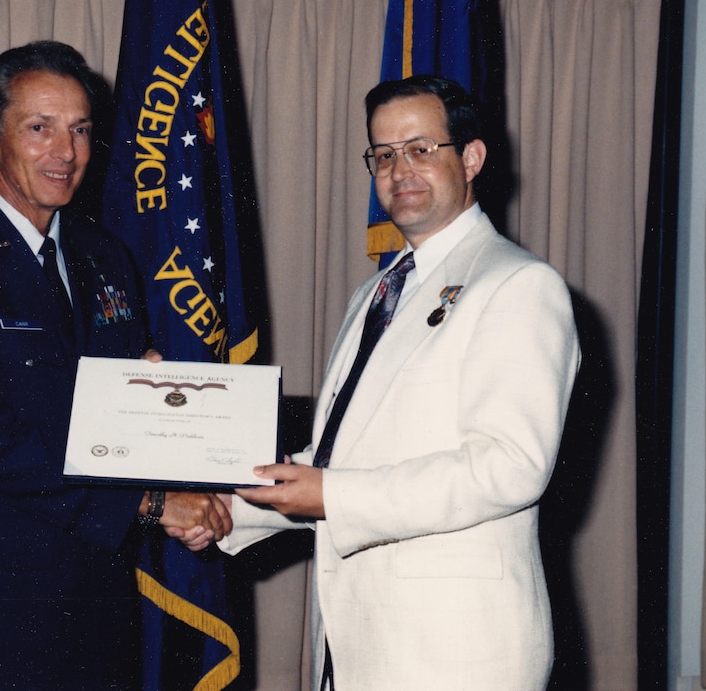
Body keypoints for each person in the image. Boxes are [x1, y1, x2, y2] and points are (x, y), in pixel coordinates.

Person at [0, 41, 231, 691]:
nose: (64, 153)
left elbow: (116, 422)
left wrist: (164, 415)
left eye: (79, 130)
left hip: (95, 608)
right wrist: (156, 504)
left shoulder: (105, 257)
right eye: (39, 128)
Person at [222, 74, 581, 689]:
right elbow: (339, 461)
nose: (399, 170)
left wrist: (330, 495)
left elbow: (508, 466)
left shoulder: (517, 285)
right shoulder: (377, 292)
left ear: (470, 158)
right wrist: (224, 510)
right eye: (383, 155)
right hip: (357, 647)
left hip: (457, 654)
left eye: (420, 149)